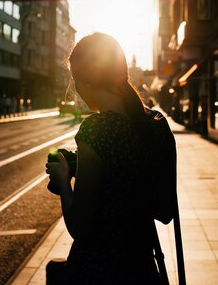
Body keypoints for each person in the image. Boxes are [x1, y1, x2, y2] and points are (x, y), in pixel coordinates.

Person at [45, 32, 176, 285]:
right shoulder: (157, 125)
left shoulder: (97, 129)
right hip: (141, 270)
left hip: (97, 270)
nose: (75, 89)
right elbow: (165, 211)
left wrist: (64, 180)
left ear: (87, 82)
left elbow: (80, 229)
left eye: (75, 80)